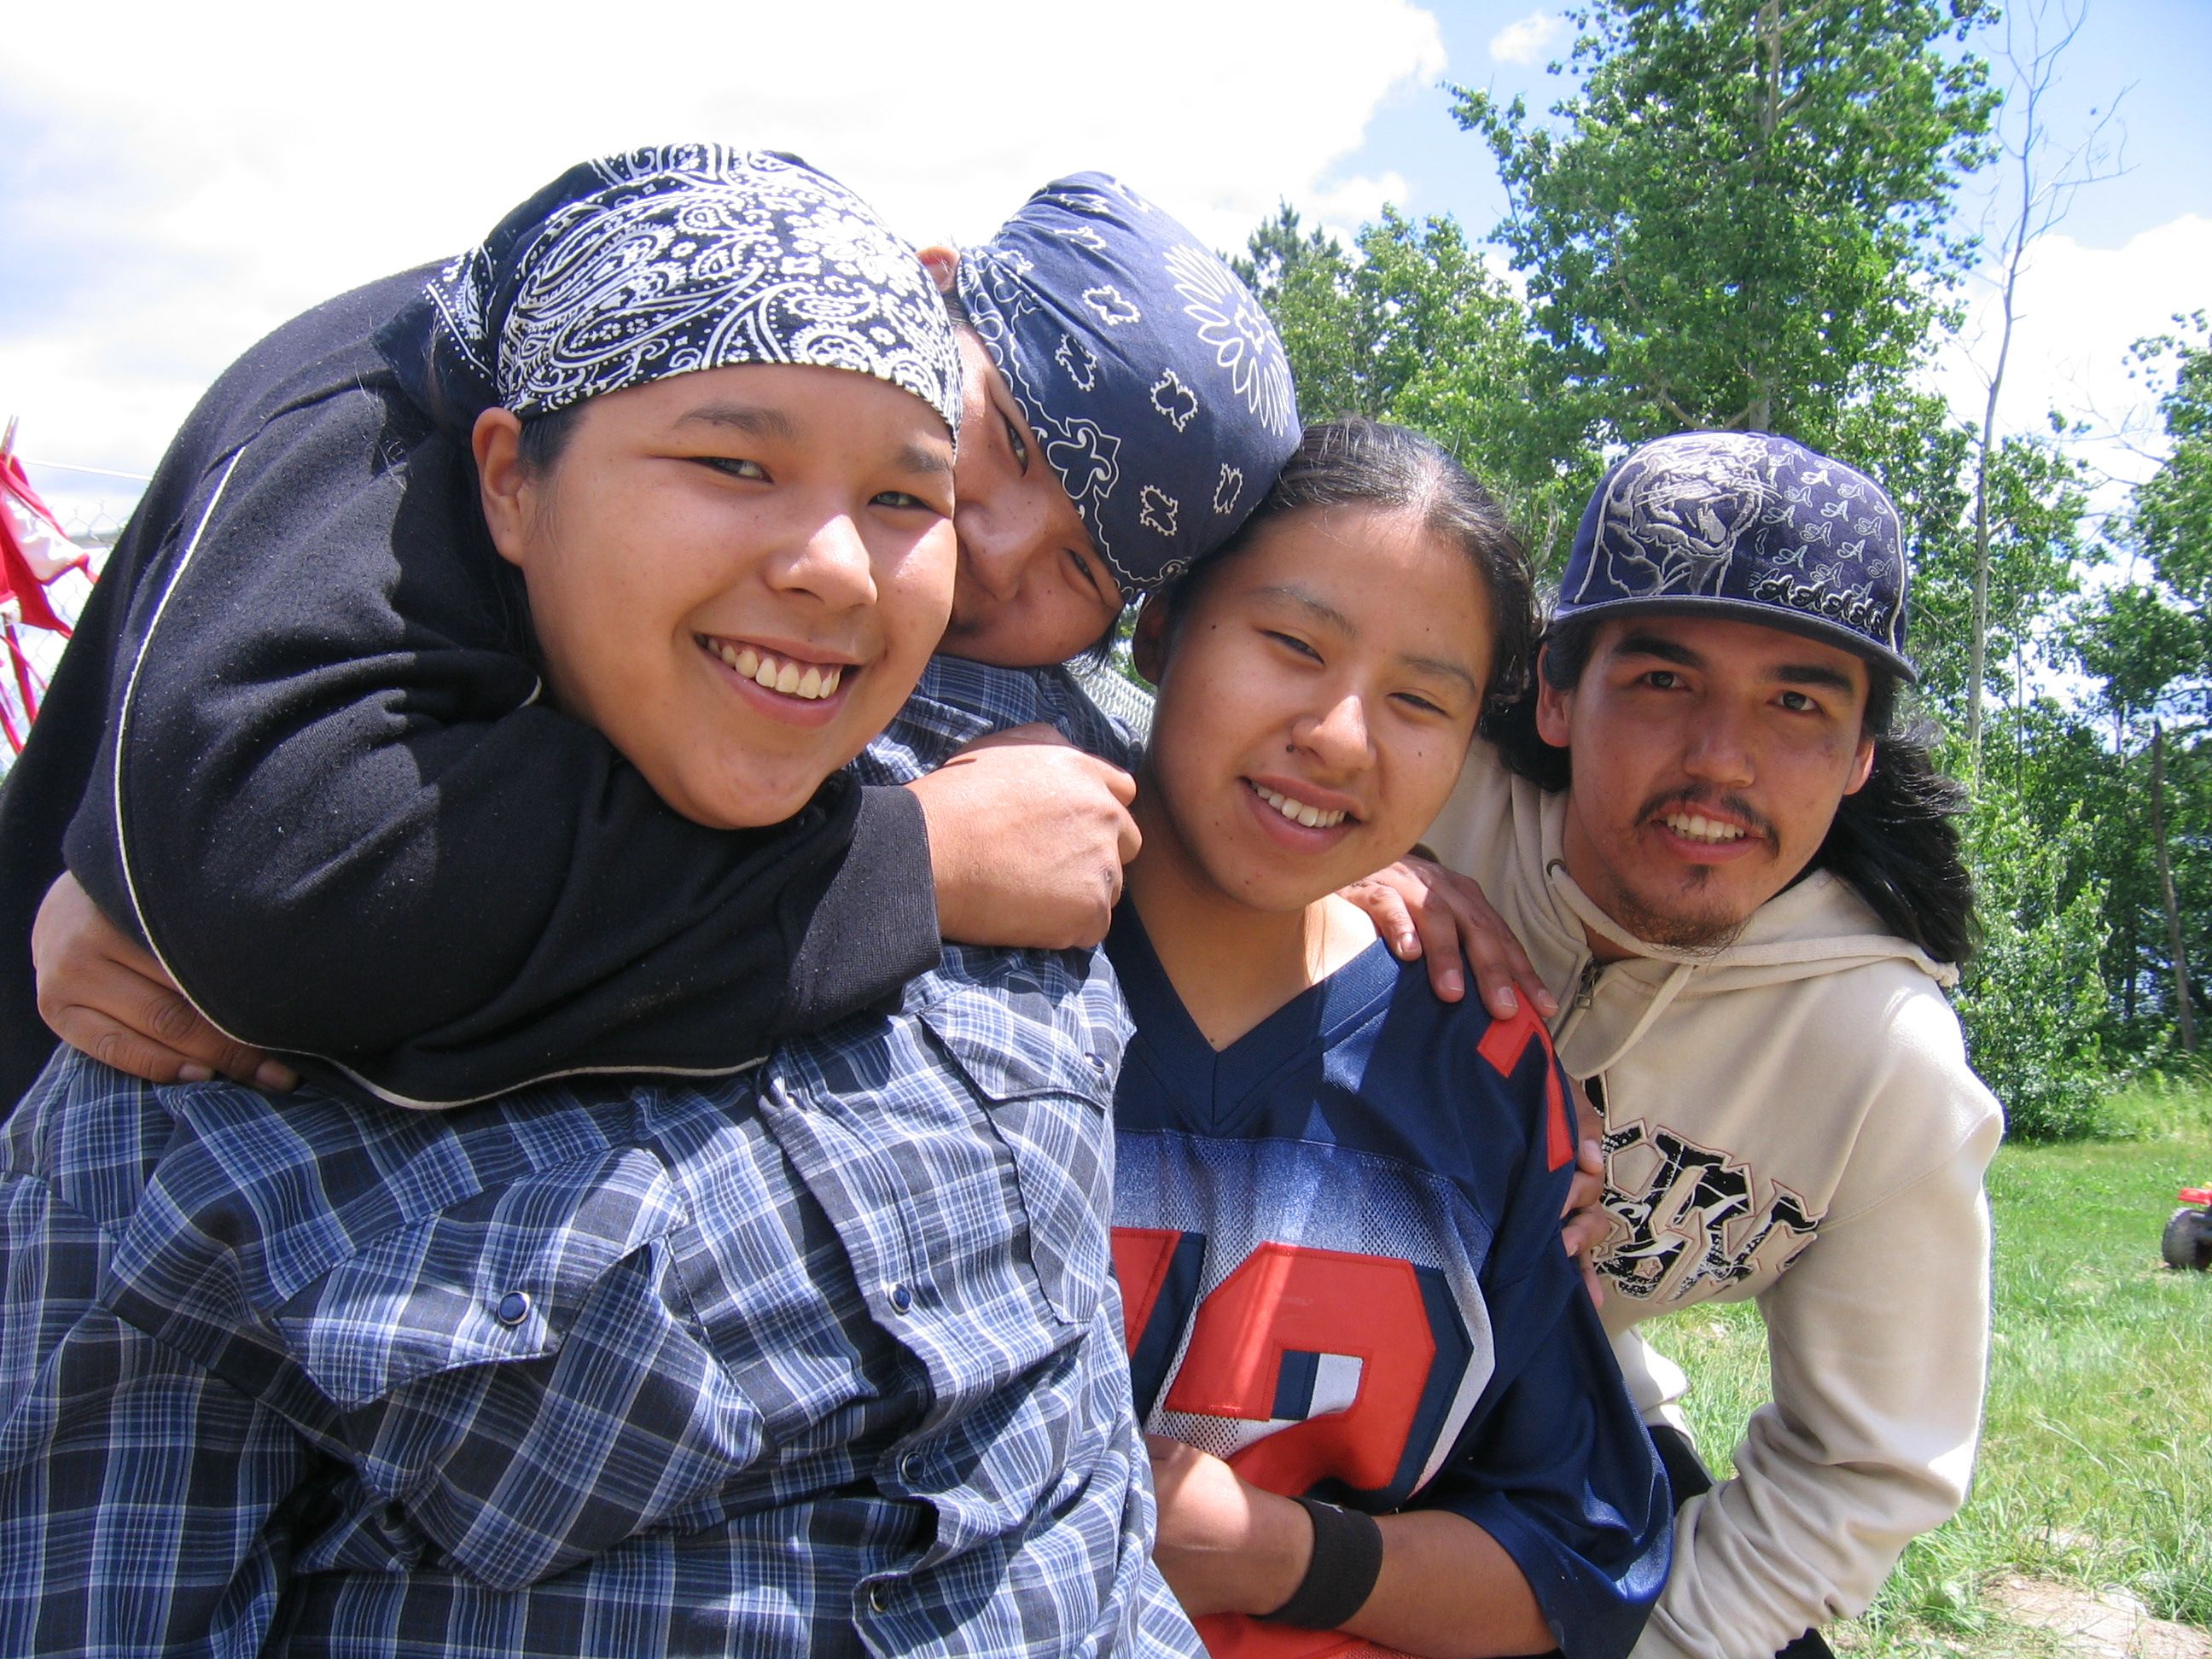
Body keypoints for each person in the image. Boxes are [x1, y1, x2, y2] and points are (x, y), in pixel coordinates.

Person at [0, 146, 1200, 1657]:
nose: (852, 566)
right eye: (737, 464)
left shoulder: (1040, 844)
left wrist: (1396, 877)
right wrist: (917, 865)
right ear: (507, 478)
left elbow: (1086, 1498)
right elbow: (265, 870)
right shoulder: (187, 1080)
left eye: (912, 494)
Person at [1, 169, 1301, 1111]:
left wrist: (1322, 872)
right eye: (1004, 440)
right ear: (929, 284)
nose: (994, 548)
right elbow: (269, 864)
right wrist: (917, 861)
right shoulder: (501, 369)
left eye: (1081, 568)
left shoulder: (931, 629)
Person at [1394, 431, 2002, 1659]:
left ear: (1860, 755)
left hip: (1566, 1452)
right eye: (1665, 680)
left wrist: (1650, 1646)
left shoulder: (1883, 1059)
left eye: (1797, 702)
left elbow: (1859, 1464)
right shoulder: (1420, 781)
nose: (1720, 759)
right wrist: (1336, 877)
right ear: (1555, 694)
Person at [1108, 421, 1671, 1659]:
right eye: (1293, 645)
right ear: (1161, 625)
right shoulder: (964, 973)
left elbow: (1574, 1558)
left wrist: (1284, 1555)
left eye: (1421, 700)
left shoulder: (1487, 1072)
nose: (1343, 736)